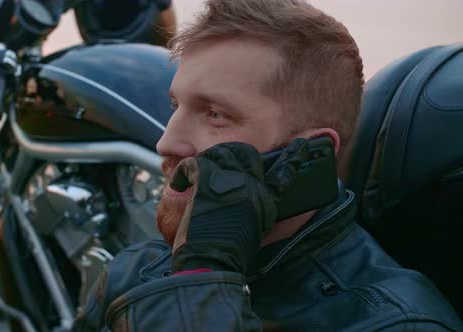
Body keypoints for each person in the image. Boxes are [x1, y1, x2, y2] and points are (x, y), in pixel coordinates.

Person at [70, 0, 463, 330]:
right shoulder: (137, 269)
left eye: (215, 114)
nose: (166, 142)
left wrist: (200, 281)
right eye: (176, 106)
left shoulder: (394, 323)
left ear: (311, 155)